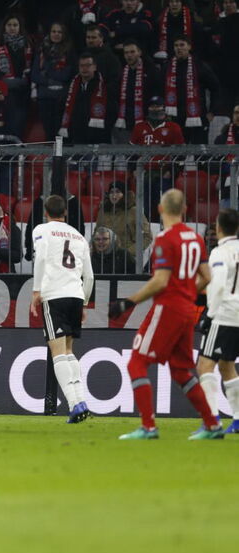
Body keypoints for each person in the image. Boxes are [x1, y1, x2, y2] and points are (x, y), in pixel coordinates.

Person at [109, 189, 223, 440]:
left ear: (160, 210)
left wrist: (128, 302)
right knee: (182, 371)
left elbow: (160, 281)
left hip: (168, 308)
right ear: (184, 210)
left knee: (137, 363)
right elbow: (207, 277)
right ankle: (212, 425)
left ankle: (148, 427)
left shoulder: (164, 239)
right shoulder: (196, 238)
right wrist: (187, 293)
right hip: (186, 309)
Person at [30, 194, 95, 424]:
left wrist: (36, 291)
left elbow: (39, 259)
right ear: (65, 212)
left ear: (46, 212)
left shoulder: (41, 230)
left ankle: (74, 404)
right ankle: (81, 400)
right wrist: (84, 301)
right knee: (68, 351)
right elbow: (89, 276)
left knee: (58, 352)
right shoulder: (78, 236)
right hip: (76, 295)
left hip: (54, 295)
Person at [198, 210, 239, 434]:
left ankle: (211, 421)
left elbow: (219, 284)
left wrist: (210, 315)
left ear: (219, 227)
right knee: (227, 365)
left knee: (205, 365)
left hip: (224, 315)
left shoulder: (219, 252)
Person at [162, 35, 219, 144]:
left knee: (200, 153)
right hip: (175, 117)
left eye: (182, 45)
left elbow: (215, 88)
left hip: (198, 115)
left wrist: (212, 111)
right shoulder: (167, 67)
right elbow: (160, 90)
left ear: (189, 47)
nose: (179, 48)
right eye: (176, 45)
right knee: (177, 154)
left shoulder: (199, 65)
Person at [0, 13, 32, 133]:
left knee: (19, 116)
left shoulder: (28, 44)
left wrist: (22, 81)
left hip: (22, 88)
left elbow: (32, 66)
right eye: (9, 25)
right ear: (4, 27)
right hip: (2, 87)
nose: (12, 28)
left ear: (20, 27)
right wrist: (3, 81)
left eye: (15, 25)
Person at [31, 21, 76, 139]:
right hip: (45, 97)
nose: (56, 34)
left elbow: (66, 76)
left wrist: (47, 72)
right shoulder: (41, 50)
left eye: (59, 32)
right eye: (54, 31)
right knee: (48, 130)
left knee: (60, 131)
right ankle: (51, 155)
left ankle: (61, 156)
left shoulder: (70, 52)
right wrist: (50, 81)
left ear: (64, 34)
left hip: (62, 97)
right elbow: (34, 75)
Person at [94, 180, 152, 267]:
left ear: (125, 194)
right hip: (104, 258)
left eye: (118, 192)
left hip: (127, 259)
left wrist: (127, 253)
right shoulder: (103, 211)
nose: (114, 195)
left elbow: (147, 236)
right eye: (111, 192)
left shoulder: (134, 211)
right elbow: (96, 233)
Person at [59, 52, 113, 144]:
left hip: (99, 137)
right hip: (77, 136)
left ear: (95, 67)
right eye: (82, 66)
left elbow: (110, 111)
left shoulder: (104, 86)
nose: (84, 68)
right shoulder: (72, 86)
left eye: (88, 65)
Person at [113, 41, 162, 143]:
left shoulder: (151, 70)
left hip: (147, 120)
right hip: (126, 120)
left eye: (132, 52)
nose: (129, 55)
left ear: (139, 52)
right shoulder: (122, 72)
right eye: (126, 53)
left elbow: (158, 93)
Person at [214, 103, 239, 209]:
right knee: (228, 223)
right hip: (228, 189)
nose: (238, 116)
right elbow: (213, 165)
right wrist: (227, 166)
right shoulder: (221, 139)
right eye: (237, 112)